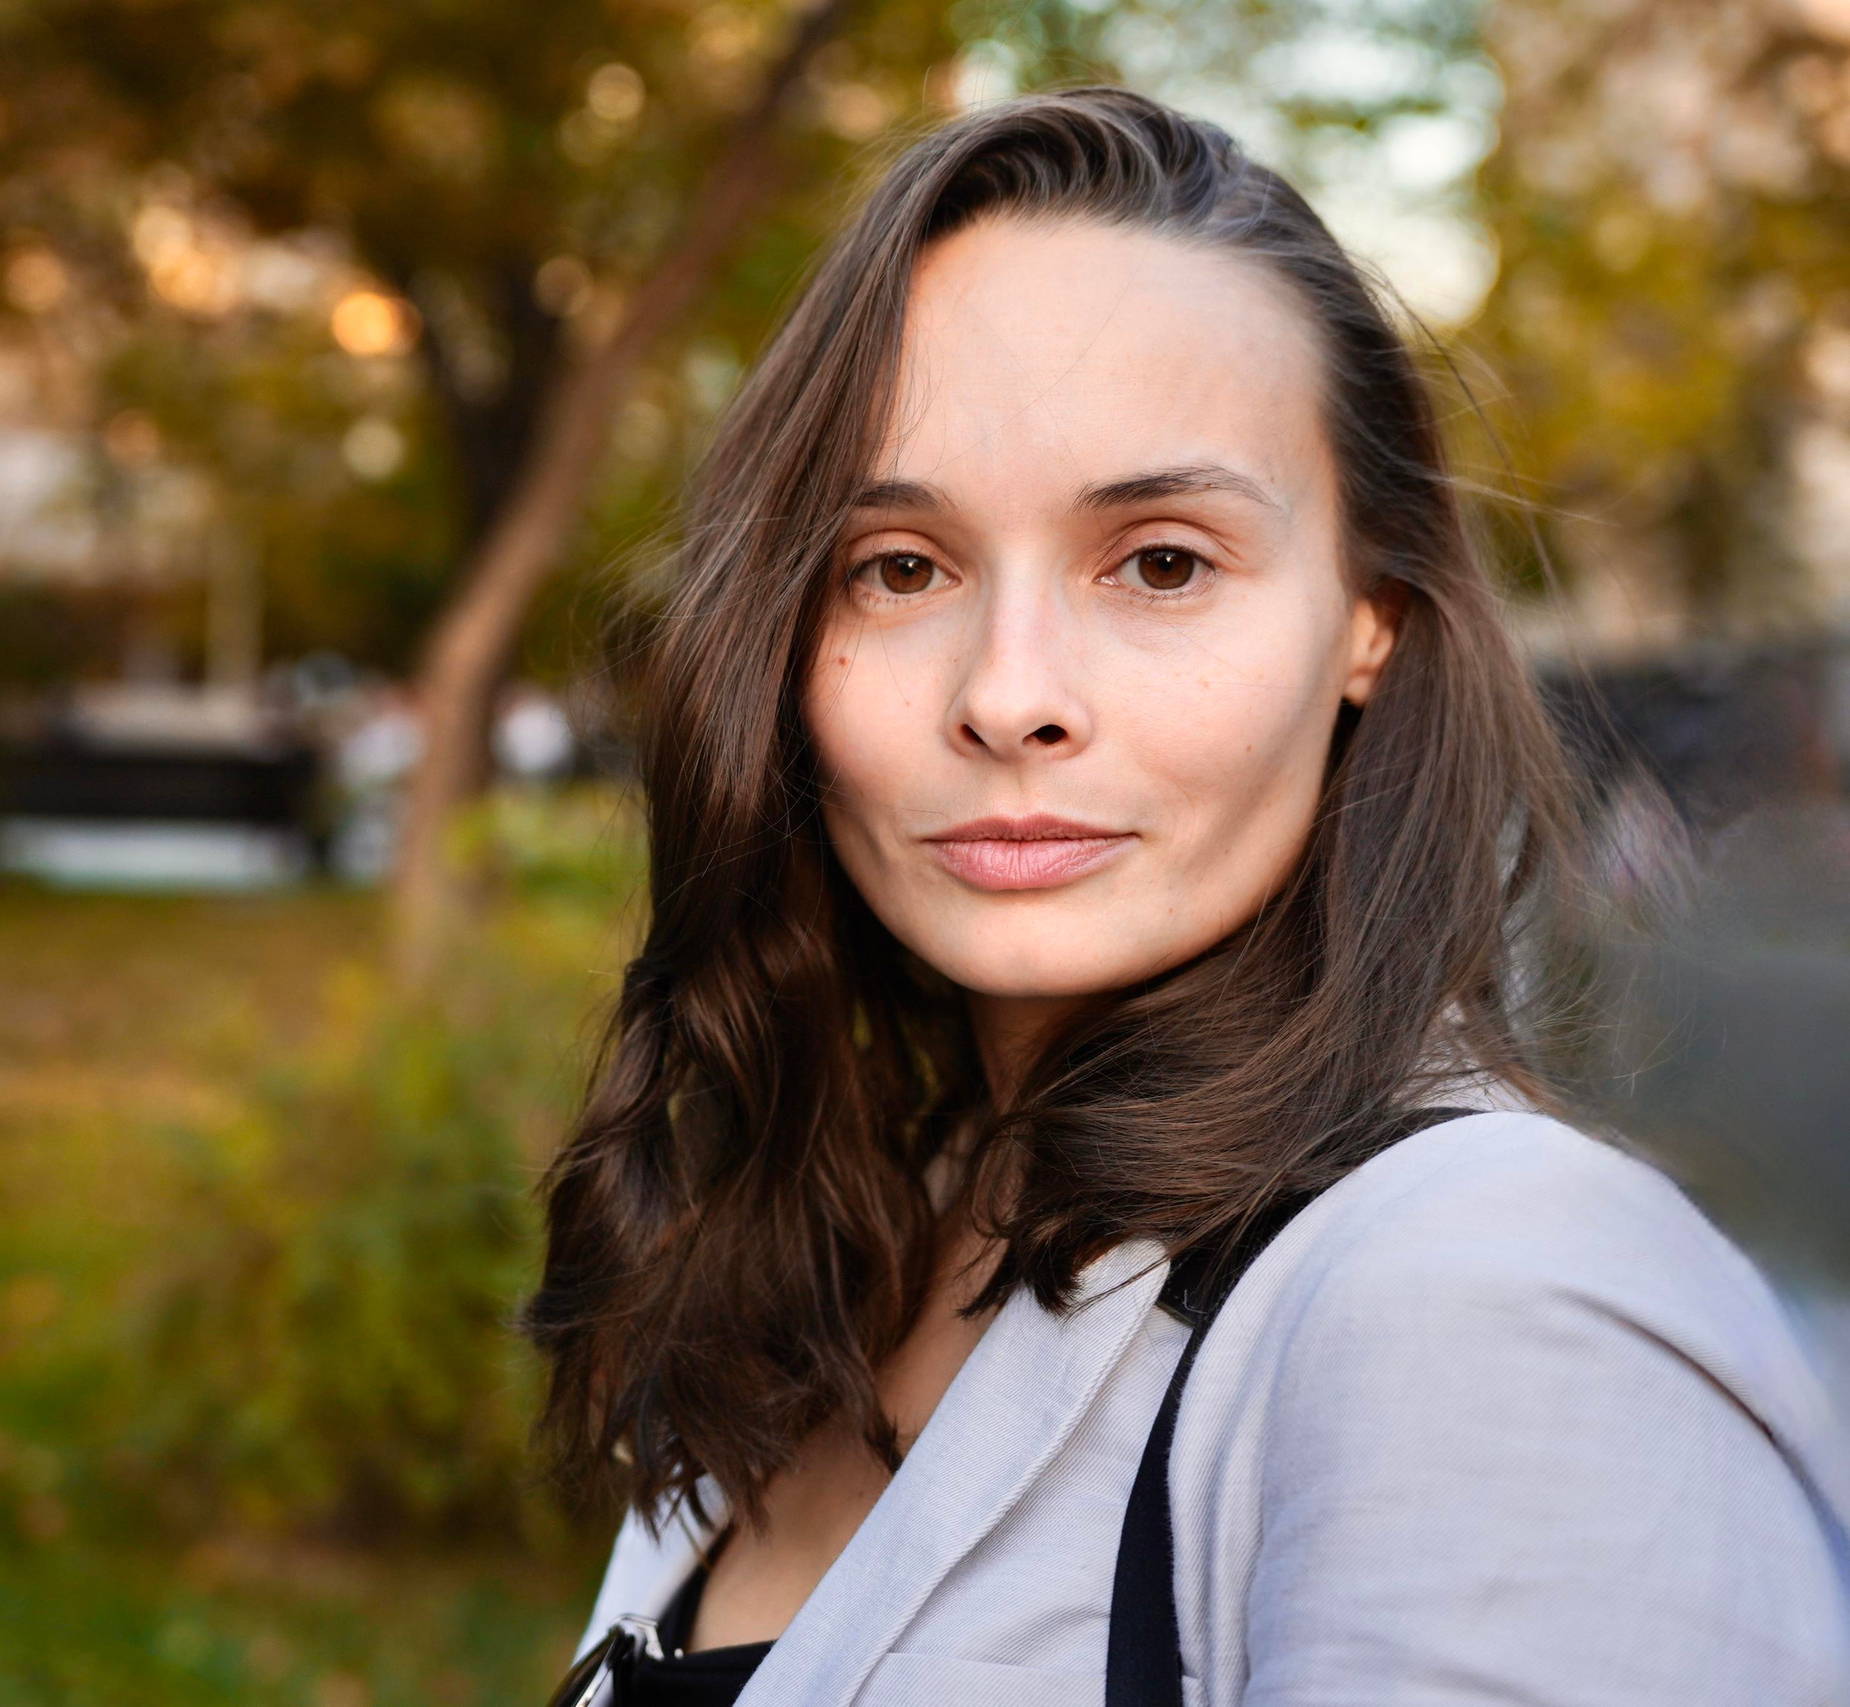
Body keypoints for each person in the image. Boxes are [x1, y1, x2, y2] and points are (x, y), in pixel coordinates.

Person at [524, 87, 1850, 1706]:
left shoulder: (1485, 1299)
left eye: (1160, 561)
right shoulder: (876, 1226)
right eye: (900, 567)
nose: (1009, 697)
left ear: (1368, 616)